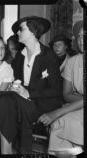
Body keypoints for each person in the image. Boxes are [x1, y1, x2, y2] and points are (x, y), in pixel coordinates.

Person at [0, 16, 62, 154]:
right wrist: (15, 87)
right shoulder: (20, 57)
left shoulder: (48, 55)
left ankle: (11, 151)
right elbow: (18, 81)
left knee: (5, 103)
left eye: (21, 29)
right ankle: (11, 151)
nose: (17, 33)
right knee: (6, 103)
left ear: (33, 32)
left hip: (44, 102)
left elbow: (56, 90)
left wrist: (29, 93)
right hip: (21, 101)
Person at [38, 20, 84, 158]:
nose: (82, 39)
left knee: (62, 118)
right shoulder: (73, 62)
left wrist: (57, 112)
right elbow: (66, 94)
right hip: (79, 105)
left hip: (78, 106)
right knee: (59, 122)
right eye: (79, 36)